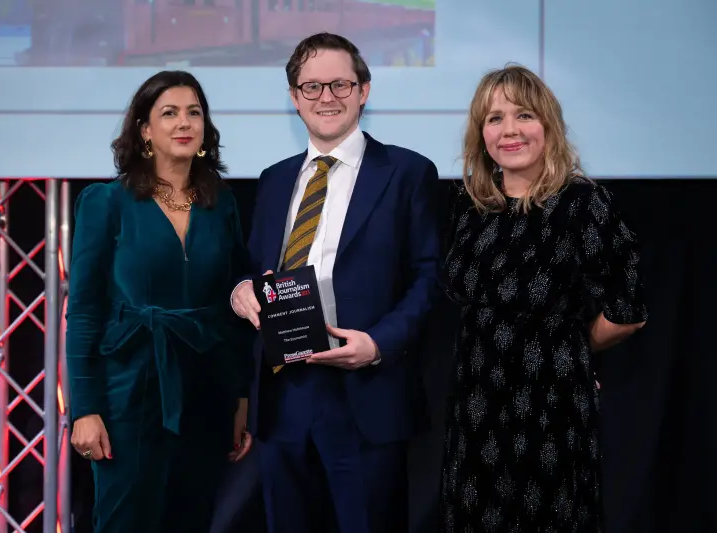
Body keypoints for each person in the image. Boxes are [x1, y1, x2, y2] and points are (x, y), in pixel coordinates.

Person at [230, 32, 441, 533]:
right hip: (284, 398)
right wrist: (240, 290)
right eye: (311, 87)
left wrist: (379, 343)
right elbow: (253, 267)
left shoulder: (408, 172)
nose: (326, 97)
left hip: (367, 391)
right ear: (293, 98)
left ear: (364, 91)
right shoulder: (274, 179)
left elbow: (431, 276)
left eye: (340, 84)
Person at [439, 64, 648, 532]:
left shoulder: (585, 204)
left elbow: (627, 313)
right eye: (494, 119)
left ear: (549, 126)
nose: (509, 130)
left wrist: (567, 352)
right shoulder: (469, 205)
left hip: (551, 407)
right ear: (481, 134)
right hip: (475, 406)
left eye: (524, 115)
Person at [65, 70, 254, 533]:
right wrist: (84, 409)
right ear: (145, 130)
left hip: (207, 391)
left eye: (194, 112)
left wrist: (242, 397)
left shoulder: (221, 203)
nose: (183, 122)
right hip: (128, 390)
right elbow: (84, 312)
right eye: (168, 113)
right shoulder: (105, 201)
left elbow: (234, 306)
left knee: (192, 518)